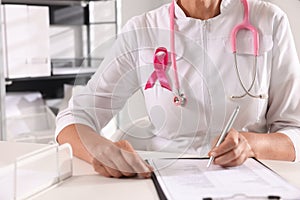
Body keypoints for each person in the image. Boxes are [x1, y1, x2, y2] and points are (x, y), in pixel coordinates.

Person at [56, 0, 300, 178]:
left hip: (251, 180)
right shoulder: (143, 30)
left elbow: (295, 132)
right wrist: (98, 150)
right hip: (163, 177)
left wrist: (251, 144)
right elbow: (73, 117)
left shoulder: (269, 20)